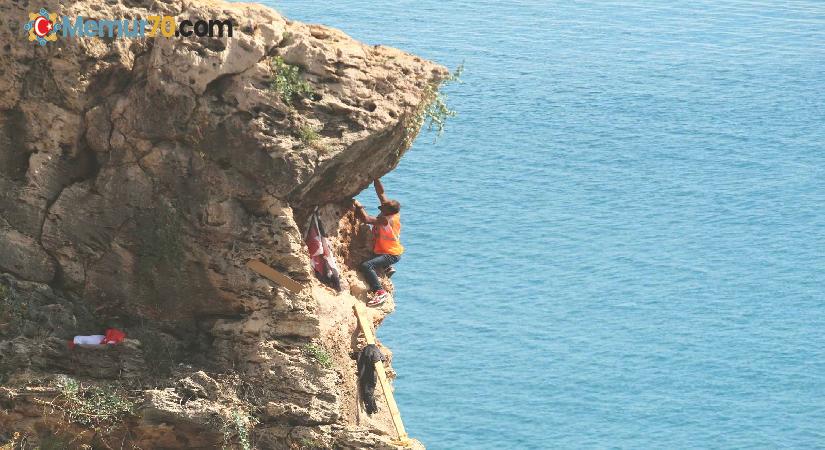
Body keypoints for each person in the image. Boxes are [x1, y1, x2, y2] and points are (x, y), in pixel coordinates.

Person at [353, 179, 404, 306]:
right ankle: (385, 266)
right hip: (387, 249)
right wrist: (376, 178)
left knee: (366, 266)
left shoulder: (386, 220)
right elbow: (381, 193)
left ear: (388, 212)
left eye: (383, 208)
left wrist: (358, 206)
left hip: (391, 254)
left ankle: (380, 292)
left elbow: (366, 219)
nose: (380, 207)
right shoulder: (392, 210)